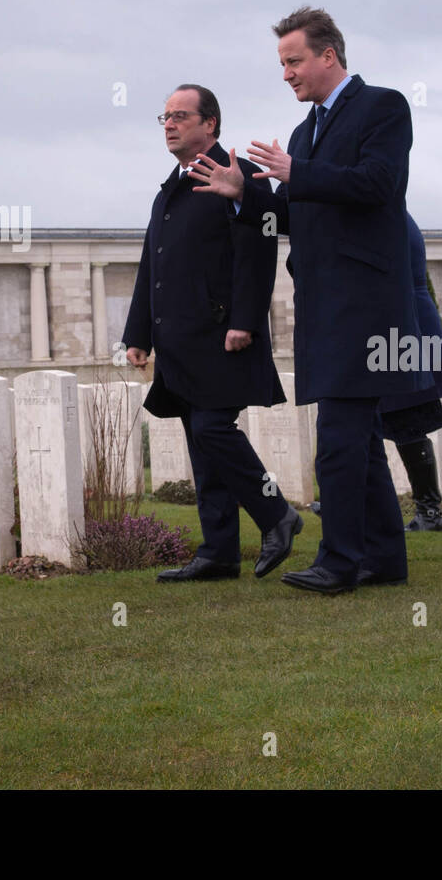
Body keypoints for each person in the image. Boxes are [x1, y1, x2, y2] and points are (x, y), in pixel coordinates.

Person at [190, 7, 431, 594]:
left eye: (294, 61)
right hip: (323, 305)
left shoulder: (384, 107)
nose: (287, 74)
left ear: (329, 56)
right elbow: (293, 217)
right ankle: (385, 559)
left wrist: (298, 171)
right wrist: (246, 194)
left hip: (368, 303)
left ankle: (339, 561)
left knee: (340, 440)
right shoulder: (303, 133)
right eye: (281, 64)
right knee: (361, 440)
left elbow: (380, 185)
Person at [123, 84, 303, 583]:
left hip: (225, 335)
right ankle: (218, 553)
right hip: (181, 341)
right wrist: (138, 332)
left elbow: (260, 247)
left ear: (211, 124)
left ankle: (277, 516)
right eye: (164, 117)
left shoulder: (237, 175)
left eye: (181, 116)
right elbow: (151, 266)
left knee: (211, 430)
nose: (169, 124)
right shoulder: (171, 188)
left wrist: (246, 319)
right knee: (201, 444)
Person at [378, 213, 442, 531]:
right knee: (391, 420)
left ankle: (429, 511)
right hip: (400, 329)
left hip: (402, 330)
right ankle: (427, 510)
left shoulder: (391, 218)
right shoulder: (395, 214)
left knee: (406, 420)